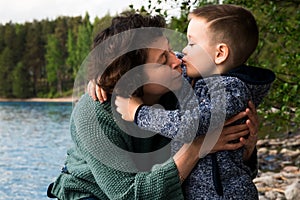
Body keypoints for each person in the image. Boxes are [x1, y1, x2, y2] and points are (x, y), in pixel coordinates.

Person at [48, 12, 259, 200]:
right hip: (92, 193)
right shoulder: (94, 114)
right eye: (162, 59)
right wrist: (196, 148)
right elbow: (128, 195)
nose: (177, 61)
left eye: (169, 51)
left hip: (157, 184)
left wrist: (246, 148)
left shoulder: (181, 83)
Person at [115, 5, 276, 200]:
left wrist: (139, 113)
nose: (182, 51)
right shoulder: (199, 78)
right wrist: (104, 77)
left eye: (191, 44)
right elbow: (149, 61)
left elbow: (190, 123)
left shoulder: (231, 91)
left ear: (219, 54)